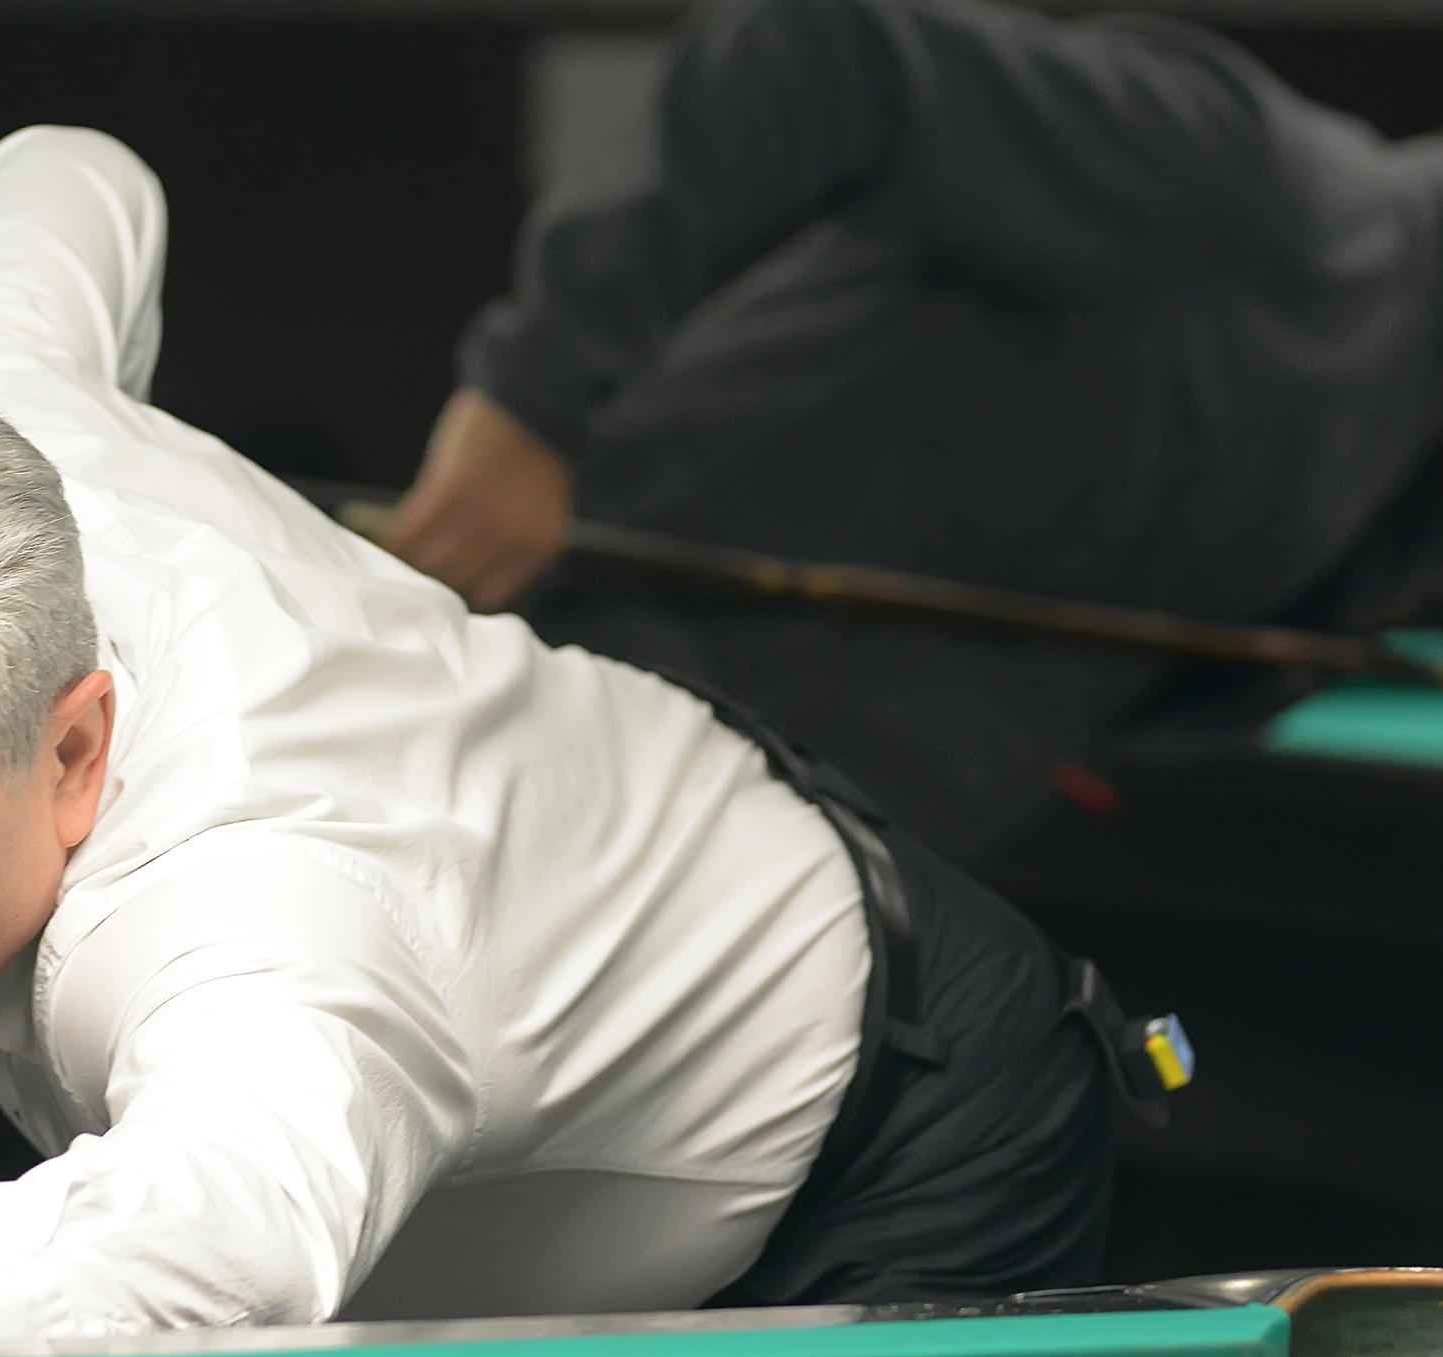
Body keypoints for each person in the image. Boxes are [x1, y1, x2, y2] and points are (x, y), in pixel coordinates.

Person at [0, 126, 1169, 1357]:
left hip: (894, 1138)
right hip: (573, 1002)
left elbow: (227, 1222)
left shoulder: (259, 886)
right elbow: (67, 171)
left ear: (75, 750)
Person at [386, 0, 1443, 862]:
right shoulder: (1263, 197)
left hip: (767, 859)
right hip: (587, 702)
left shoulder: (1397, 457)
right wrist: (531, 398)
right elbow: (816, 50)